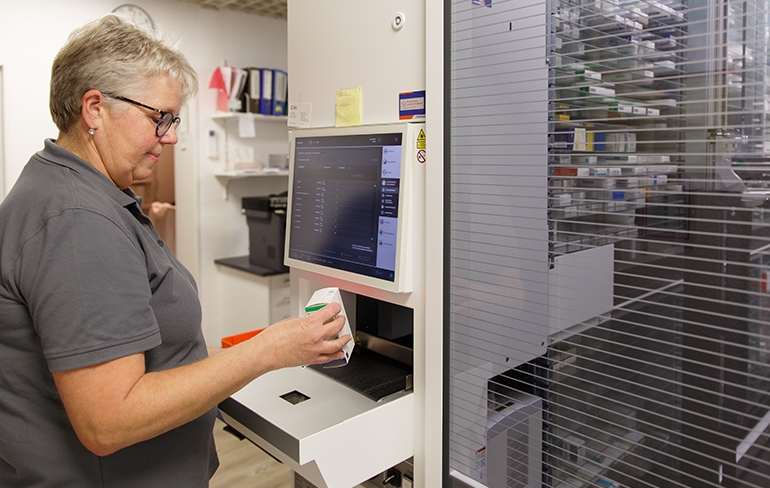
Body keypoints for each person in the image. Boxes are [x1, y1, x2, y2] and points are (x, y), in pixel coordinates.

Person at [0, 14, 350, 488]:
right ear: (94, 109)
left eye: (173, 119)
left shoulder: (69, 188)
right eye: (158, 118)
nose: (171, 136)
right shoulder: (78, 220)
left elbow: (147, 349)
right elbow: (110, 420)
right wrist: (265, 352)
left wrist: (242, 354)